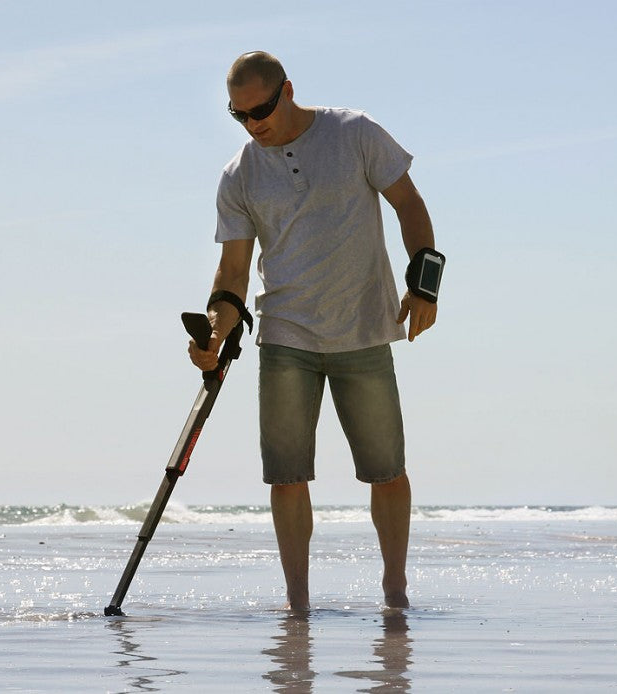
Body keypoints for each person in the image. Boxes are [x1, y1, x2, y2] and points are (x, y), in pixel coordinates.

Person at [189, 51, 443, 610]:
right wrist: (214, 332)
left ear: (287, 91)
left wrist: (425, 284)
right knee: (286, 477)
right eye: (239, 115)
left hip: (364, 328)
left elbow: (408, 202)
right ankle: (297, 603)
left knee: (387, 471)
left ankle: (395, 591)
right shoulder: (239, 174)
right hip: (286, 336)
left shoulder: (353, 133)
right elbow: (232, 272)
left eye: (260, 111)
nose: (253, 125)